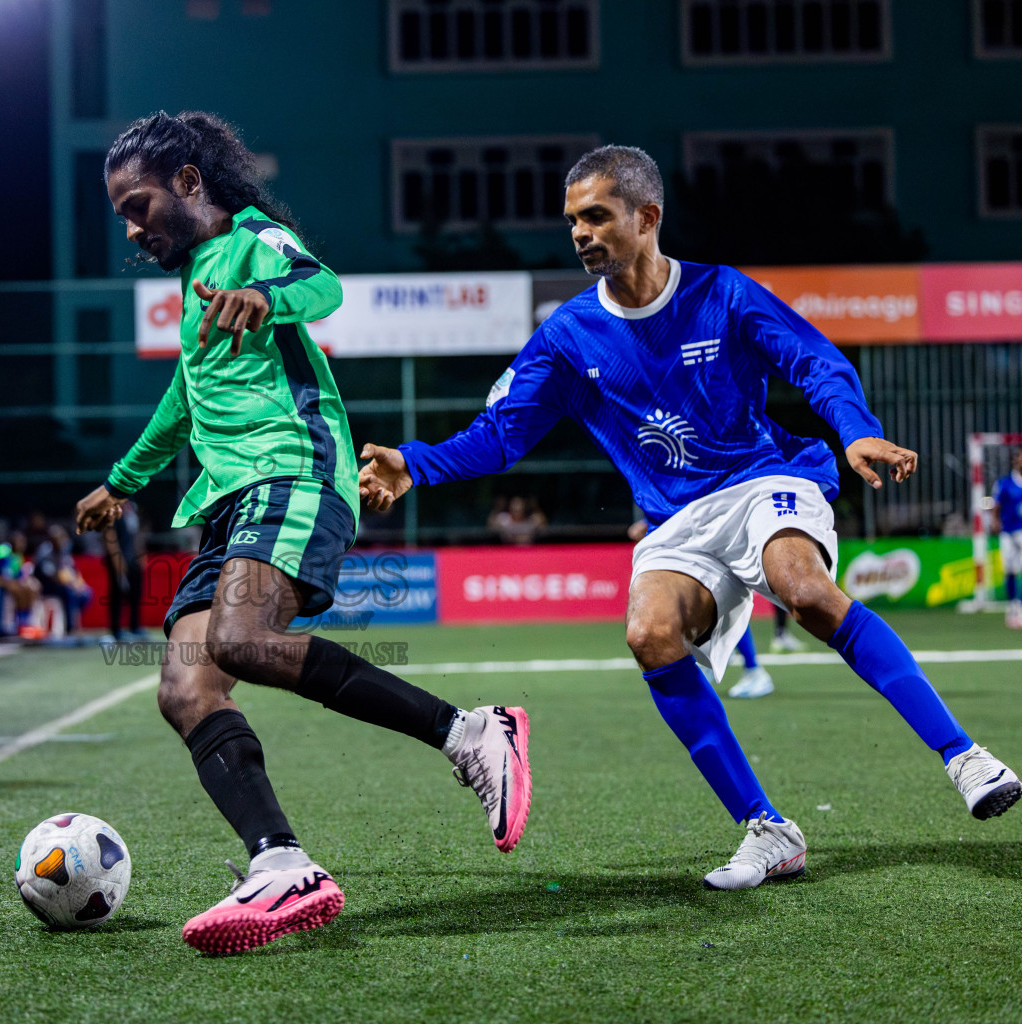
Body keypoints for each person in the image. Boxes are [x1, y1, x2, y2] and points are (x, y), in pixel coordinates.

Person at [360, 144, 1018, 891]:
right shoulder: (569, 337)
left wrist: (854, 426)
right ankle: (769, 831)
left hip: (766, 477)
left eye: (597, 216)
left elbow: (815, 361)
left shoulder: (724, 294)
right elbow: (501, 435)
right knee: (648, 632)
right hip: (677, 520)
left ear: (648, 217)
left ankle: (964, 756)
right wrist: (416, 463)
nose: (580, 233)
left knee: (799, 587)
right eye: (573, 220)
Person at [73, 111, 530, 954]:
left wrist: (265, 295)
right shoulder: (194, 280)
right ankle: (280, 863)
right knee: (184, 687)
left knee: (242, 642)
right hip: (227, 501)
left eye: (138, 204)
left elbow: (323, 286)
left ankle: (469, 731)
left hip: (292, 473)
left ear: (186, 180)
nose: (132, 227)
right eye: (121, 215)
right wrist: (122, 483)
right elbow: (185, 398)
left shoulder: (251, 239)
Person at [630, 514, 772, 699]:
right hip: (694, 538)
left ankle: (753, 670)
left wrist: (647, 523)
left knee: (722, 602)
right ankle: (712, 659)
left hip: (713, 535)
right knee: (694, 601)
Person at [103, 499, 145, 641]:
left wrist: (140, 556)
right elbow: (110, 537)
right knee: (117, 595)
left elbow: (137, 535)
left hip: (133, 560)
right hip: (119, 561)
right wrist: (117, 561)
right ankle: (116, 630)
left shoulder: (131, 509)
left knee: (135, 595)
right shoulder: (111, 510)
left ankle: (135, 627)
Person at [993, 449, 1022, 628]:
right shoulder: (1005, 483)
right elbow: (996, 504)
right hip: (1008, 531)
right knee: (1010, 569)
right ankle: (1013, 606)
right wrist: (995, 521)